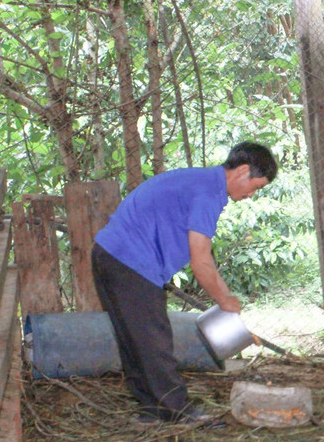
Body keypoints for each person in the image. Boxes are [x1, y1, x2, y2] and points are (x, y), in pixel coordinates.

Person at [92, 142, 278, 424]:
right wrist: (226, 300)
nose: (251, 194)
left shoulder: (199, 181)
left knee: (135, 340)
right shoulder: (208, 193)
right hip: (129, 261)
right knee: (154, 341)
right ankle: (178, 411)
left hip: (109, 255)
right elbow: (200, 260)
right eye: (256, 186)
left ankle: (151, 410)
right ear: (242, 171)